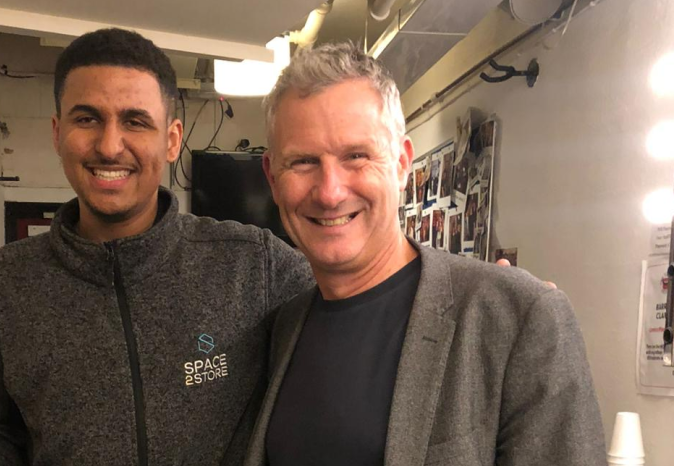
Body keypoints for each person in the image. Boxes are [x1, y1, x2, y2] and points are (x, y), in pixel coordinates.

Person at [0, 28, 314, 466]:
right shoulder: (6, 283)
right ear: (57, 132)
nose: (108, 145)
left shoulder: (253, 263)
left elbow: (361, 306)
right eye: (87, 119)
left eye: (135, 121)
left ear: (172, 140)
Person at [245, 42, 606, 465]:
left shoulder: (516, 319)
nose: (330, 192)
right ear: (272, 177)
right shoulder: (282, 328)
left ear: (401, 164)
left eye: (356, 156)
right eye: (304, 162)